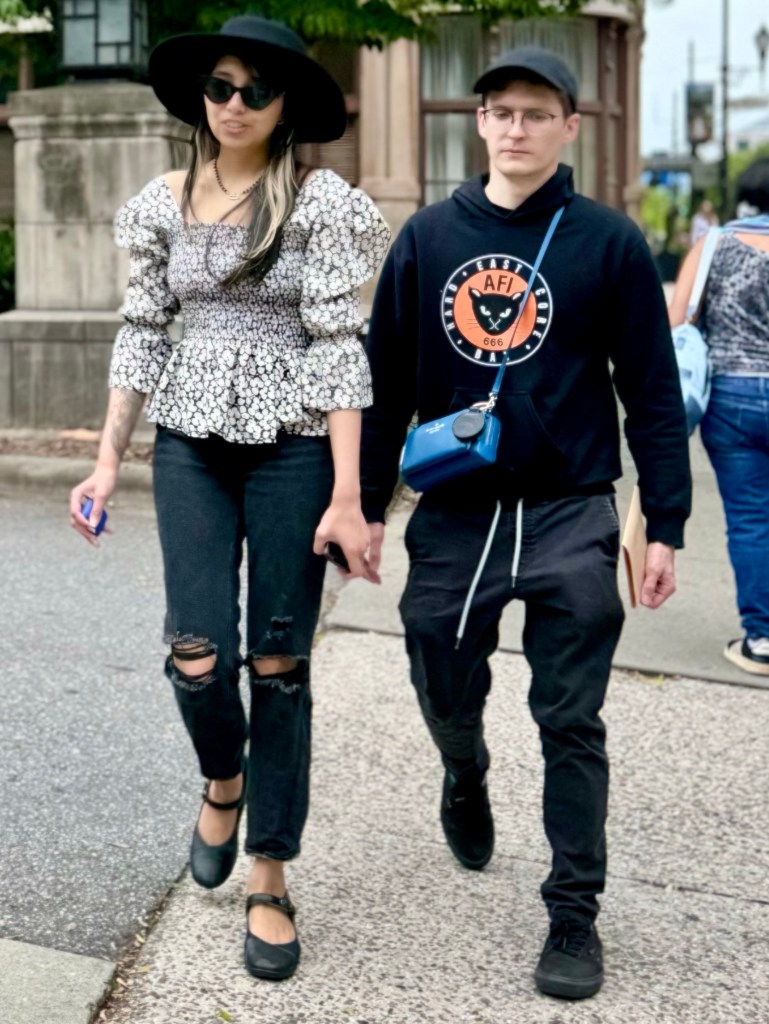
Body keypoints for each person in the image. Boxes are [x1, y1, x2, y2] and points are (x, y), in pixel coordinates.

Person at [361, 47, 691, 1000]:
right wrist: (366, 506)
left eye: (536, 113)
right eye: (501, 111)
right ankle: (463, 768)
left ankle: (573, 915)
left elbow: (651, 391)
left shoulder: (608, 242)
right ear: (479, 123)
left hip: (570, 509)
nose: (516, 128)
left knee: (570, 719)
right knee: (439, 670)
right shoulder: (427, 238)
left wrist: (663, 522)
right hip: (457, 510)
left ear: (567, 128)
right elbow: (384, 385)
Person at [69, 14, 389, 981]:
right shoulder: (161, 203)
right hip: (191, 448)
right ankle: (223, 777)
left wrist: (349, 497)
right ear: (199, 99)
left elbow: (339, 349)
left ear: (285, 104)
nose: (235, 104)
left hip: (295, 448)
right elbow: (142, 332)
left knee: (278, 662)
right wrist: (105, 462)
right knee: (196, 653)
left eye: (256, 89)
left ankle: (270, 874)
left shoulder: (321, 203)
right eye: (220, 87)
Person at [670, 184, 769, 677]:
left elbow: (677, 321)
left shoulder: (713, 244)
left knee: (750, 519)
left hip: (733, 398)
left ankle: (762, 638)